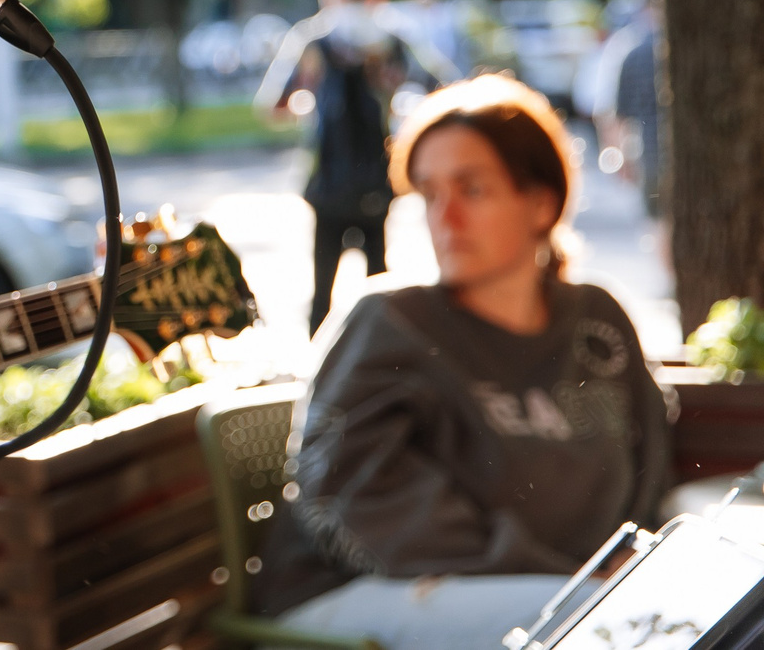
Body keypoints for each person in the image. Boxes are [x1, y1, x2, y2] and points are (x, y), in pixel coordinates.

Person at [254, 75, 671, 650]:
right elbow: (354, 496)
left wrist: (631, 558)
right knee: (613, 628)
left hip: (557, 592)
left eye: (471, 190)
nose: (443, 219)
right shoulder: (391, 322)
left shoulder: (596, 322)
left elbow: (650, 464)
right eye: (429, 194)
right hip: (359, 593)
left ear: (541, 202)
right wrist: (566, 577)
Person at [256, 0, 458, 333]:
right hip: (379, 176)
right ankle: (380, 358)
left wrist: (307, 103)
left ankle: (316, 367)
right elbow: (444, 85)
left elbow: (272, 104)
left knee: (322, 286)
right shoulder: (392, 35)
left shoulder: (314, 36)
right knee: (379, 281)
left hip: (327, 177)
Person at [578, 0, 666, 229]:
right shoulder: (691, 47)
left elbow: (616, 115)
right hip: (686, 156)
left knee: (659, 225)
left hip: (649, 156)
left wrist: (619, 158)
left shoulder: (630, 50)